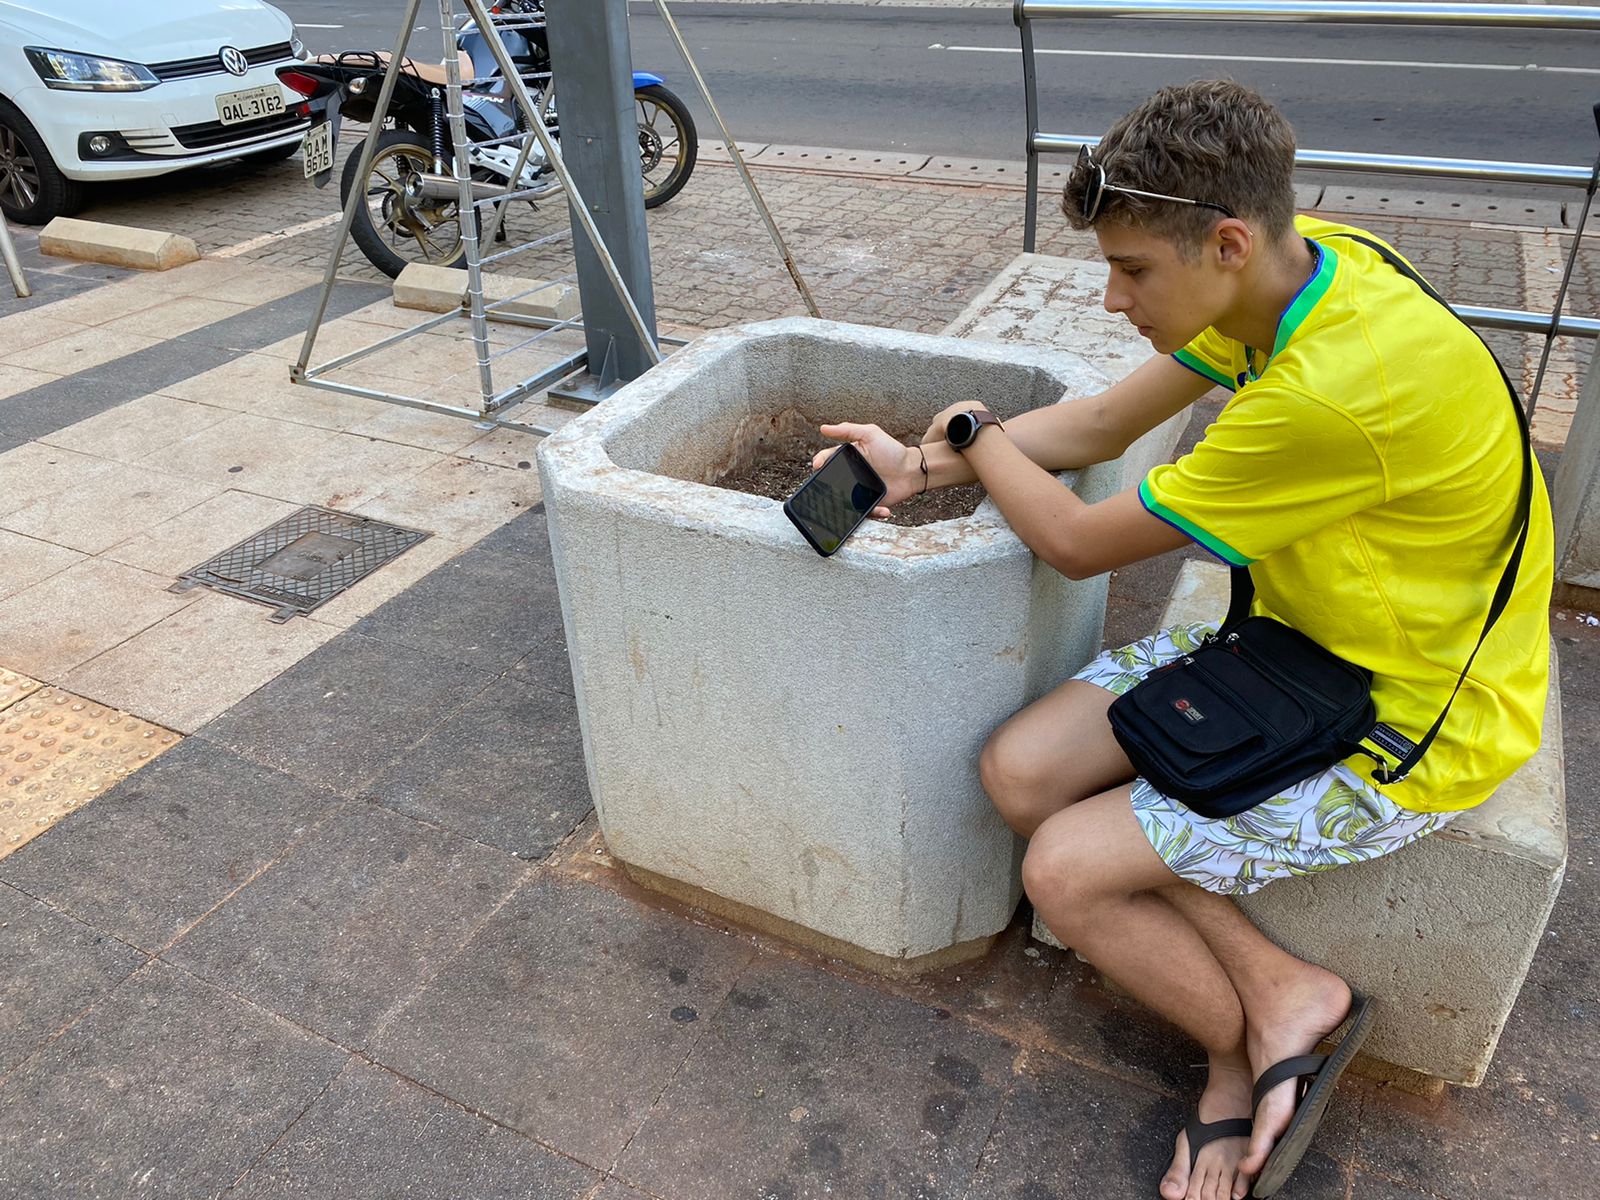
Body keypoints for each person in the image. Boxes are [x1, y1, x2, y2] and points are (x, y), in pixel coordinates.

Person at [815, 80, 1552, 1200]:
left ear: (1224, 240)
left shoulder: (1328, 398)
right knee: (1021, 772)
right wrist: (914, 467)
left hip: (1406, 717)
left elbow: (1068, 537)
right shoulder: (1313, 264)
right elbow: (1104, 424)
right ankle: (1279, 988)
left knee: (1064, 871)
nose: (1113, 299)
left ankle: (1227, 1049)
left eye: (1134, 271)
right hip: (1293, 647)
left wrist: (969, 426)